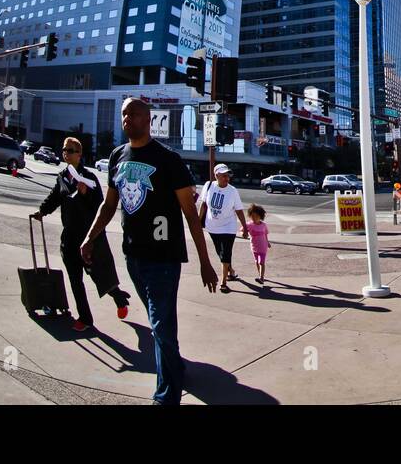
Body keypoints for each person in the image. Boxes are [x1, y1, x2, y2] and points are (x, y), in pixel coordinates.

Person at [81, 97, 217, 405]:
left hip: (164, 259)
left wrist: (206, 262)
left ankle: (166, 396)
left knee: (159, 324)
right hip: (133, 256)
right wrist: (90, 238)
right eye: (124, 114)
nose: (128, 118)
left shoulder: (169, 159)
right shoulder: (117, 155)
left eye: (135, 114)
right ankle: (176, 367)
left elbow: (190, 214)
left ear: (149, 120)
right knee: (162, 324)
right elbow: (109, 204)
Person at [31, 137, 129, 332]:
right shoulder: (62, 177)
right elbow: (54, 198)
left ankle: (118, 297)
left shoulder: (89, 177)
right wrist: (42, 212)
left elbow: (102, 205)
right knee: (76, 280)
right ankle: (85, 318)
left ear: (79, 154)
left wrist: (85, 194)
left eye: (70, 150)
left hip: (88, 239)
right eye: (64, 149)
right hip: (69, 238)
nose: (66, 152)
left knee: (98, 276)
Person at [197, 163, 248, 292]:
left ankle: (223, 282)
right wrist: (198, 222)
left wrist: (245, 227)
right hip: (212, 227)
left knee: (226, 252)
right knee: (220, 252)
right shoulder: (209, 186)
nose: (227, 178)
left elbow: (239, 210)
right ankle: (230, 270)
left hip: (228, 227)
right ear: (216, 175)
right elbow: (203, 204)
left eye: (228, 175)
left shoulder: (232, 191)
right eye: (224, 175)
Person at [244, 203, 271, 283]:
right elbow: (243, 230)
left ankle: (261, 277)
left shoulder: (264, 225)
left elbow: (265, 234)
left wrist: (268, 242)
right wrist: (243, 233)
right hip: (254, 247)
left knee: (261, 262)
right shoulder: (249, 224)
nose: (254, 218)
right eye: (252, 216)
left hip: (263, 246)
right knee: (256, 262)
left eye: (256, 216)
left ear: (261, 216)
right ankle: (260, 275)